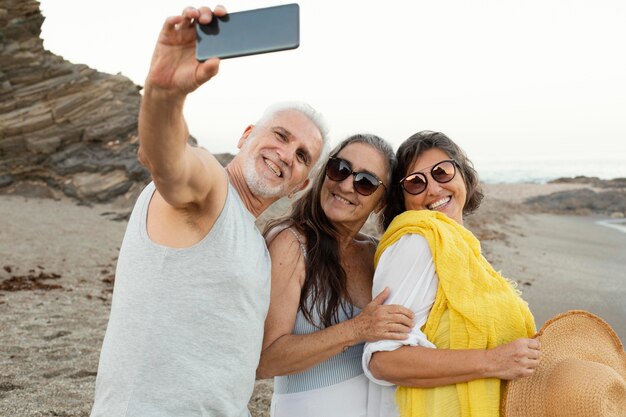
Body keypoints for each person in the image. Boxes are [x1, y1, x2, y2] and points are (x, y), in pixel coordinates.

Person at [89, 6, 329, 417]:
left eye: (302, 155)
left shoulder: (251, 238)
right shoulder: (211, 190)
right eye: (280, 135)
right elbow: (166, 161)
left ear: (301, 184)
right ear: (246, 135)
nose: (286, 154)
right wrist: (165, 93)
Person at [362, 131, 540, 417]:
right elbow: (384, 361)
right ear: (402, 198)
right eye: (415, 183)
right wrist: (492, 361)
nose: (433, 189)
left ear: (462, 175)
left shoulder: (461, 249)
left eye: (442, 172)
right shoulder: (417, 243)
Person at [256, 134, 415, 417]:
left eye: (365, 182)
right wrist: (357, 329)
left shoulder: (376, 253)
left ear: (381, 201)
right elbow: (265, 360)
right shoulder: (291, 243)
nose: (345, 185)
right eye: (339, 168)